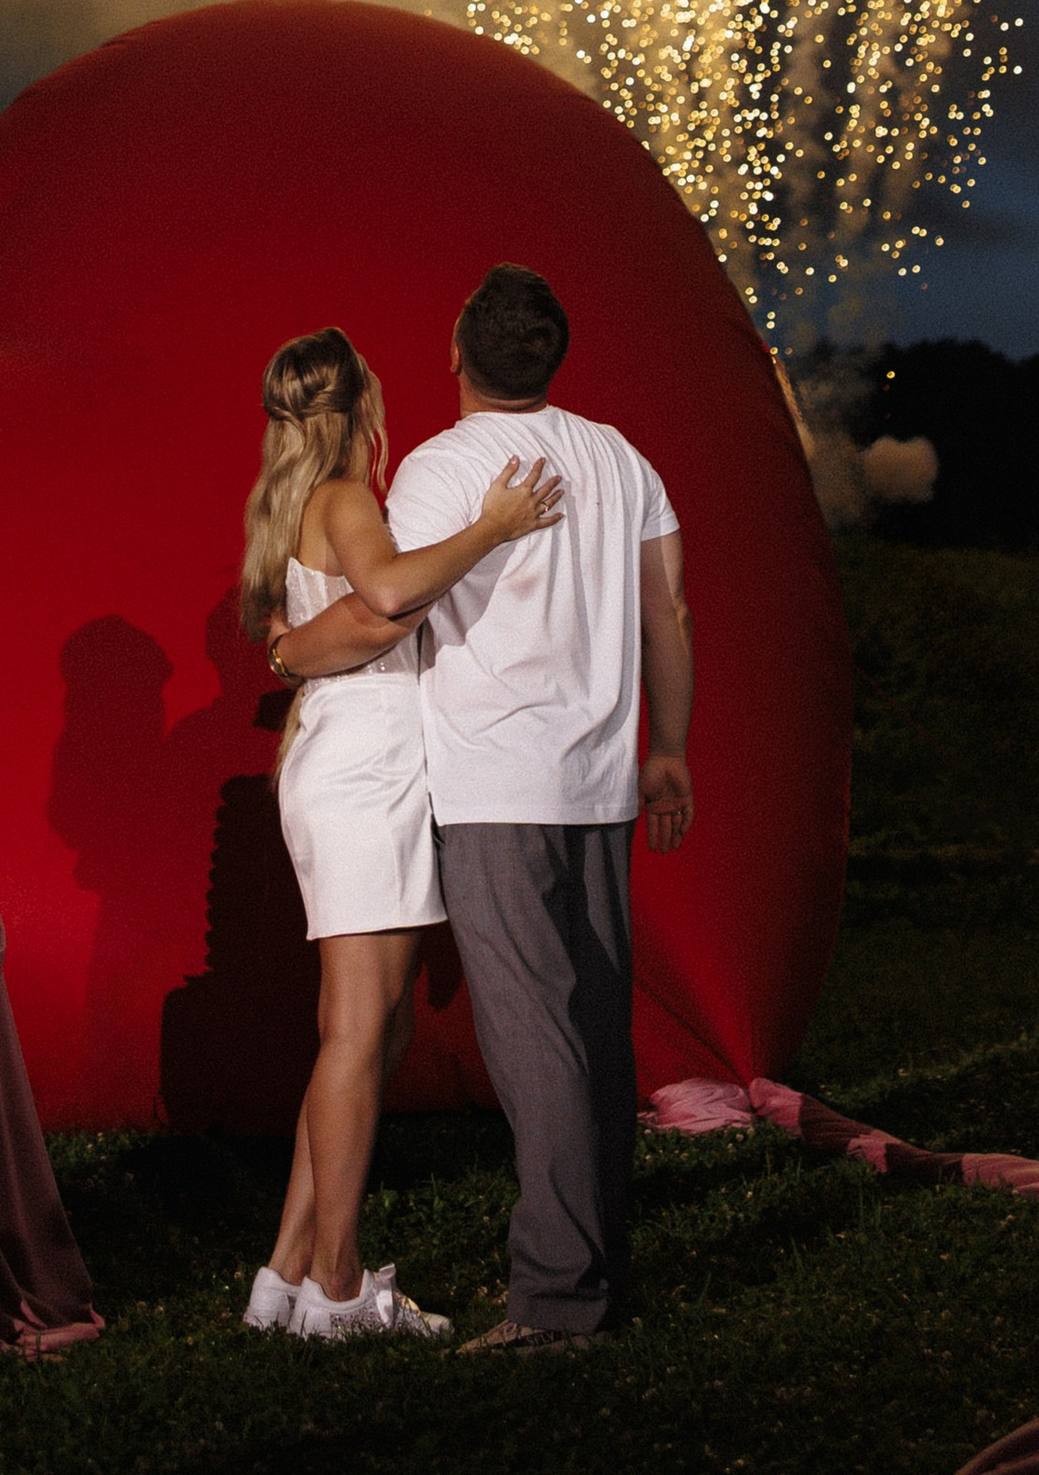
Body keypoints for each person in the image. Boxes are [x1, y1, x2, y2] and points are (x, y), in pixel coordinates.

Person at [381, 262, 693, 1352]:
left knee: (535, 1040)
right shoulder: (619, 459)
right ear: (553, 359)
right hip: (600, 779)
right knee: (594, 1034)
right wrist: (668, 745)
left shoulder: (439, 466)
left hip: (494, 782)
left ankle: (560, 1302)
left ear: (455, 353)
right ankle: (600, 1269)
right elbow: (668, 608)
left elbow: (395, 593)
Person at [236, 323, 565, 1343]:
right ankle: (338, 1293)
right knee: (356, 1035)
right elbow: (385, 600)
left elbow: (342, 627)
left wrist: (295, 652)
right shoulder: (342, 499)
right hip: (365, 769)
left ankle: (285, 1279)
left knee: (368, 1033)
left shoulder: (294, 503)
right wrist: (494, 527)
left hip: (346, 762)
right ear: (363, 406)